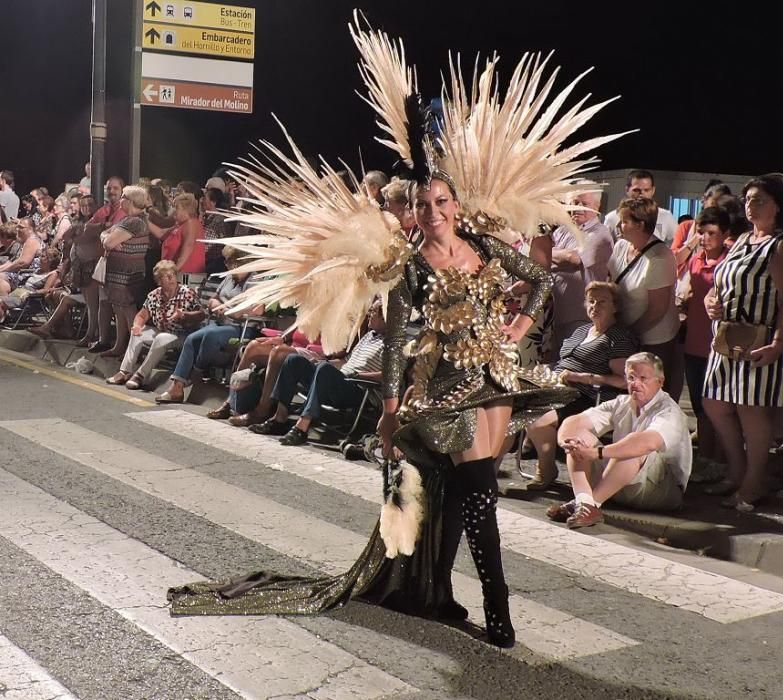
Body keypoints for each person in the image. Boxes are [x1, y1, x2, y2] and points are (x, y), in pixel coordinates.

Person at [166, 18, 614, 650]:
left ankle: (440, 594)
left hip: (494, 378)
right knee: (478, 494)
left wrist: (518, 324)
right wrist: (392, 409)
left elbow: (539, 281)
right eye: (424, 206)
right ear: (415, 212)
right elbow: (401, 340)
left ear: (457, 208)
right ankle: (500, 610)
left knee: (465, 491)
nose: (433, 214)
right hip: (442, 387)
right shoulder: (408, 269)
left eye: (442, 205)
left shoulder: (485, 246)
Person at [703, 174, 783, 511]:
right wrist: (710, 300)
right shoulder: (742, 240)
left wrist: (777, 341)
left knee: (751, 410)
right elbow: (721, 281)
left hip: (762, 338)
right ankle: (737, 470)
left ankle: (753, 484)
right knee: (715, 402)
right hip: (728, 337)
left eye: (759, 200)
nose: (751, 206)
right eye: (748, 200)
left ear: (777, 206)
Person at [549, 352, 692, 528]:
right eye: (631, 377)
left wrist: (596, 453)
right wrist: (567, 442)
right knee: (578, 439)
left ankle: (588, 504)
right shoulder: (622, 402)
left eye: (643, 378)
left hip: (661, 491)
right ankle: (585, 502)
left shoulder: (669, 410)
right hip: (620, 484)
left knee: (631, 447)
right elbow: (574, 422)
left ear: (660, 381)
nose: (636, 384)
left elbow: (647, 443)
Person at [521, 282, 637, 489]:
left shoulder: (617, 337)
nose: (595, 306)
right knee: (508, 401)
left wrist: (584, 377)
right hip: (554, 385)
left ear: (615, 307)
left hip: (582, 394)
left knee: (535, 416)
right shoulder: (582, 330)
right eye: (591, 301)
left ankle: (545, 468)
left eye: (602, 302)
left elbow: (625, 380)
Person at [253, 302, 384, 445]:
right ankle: (279, 419)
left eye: (374, 312)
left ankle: (301, 428)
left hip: (359, 389)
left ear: (386, 318)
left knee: (324, 370)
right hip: (339, 380)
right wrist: (320, 362)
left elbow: (387, 375)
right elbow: (346, 361)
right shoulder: (370, 336)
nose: (369, 315)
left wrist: (358, 376)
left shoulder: (393, 344)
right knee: (294, 360)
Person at [154, 247, 262, 403]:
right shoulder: (229, 278)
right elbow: (213, 300)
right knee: (192, 339)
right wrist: (221, 307)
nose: (226, 265)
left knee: (209, 336)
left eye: (230, 262)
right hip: (221, 322)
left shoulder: (253, 280)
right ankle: (176, 387)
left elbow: (249, 310)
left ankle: (196, 371)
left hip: (239, 327)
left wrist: (225, 309)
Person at [608, 197, 681, 399]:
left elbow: (658, 308)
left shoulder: (660, 257)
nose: (619, 226)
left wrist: (630, 333)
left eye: (624, 221)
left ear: (640, 224)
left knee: (650, 394)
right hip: (626, 332)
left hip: (654, 338)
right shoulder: (621, 246)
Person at [681, 207, 729, 471]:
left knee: (717, 404)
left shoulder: (729, 261)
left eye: (712, 233)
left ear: (724, 235)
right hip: (694, 339)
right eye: (702, 232)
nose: (706, 237)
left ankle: (720, 458)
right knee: (699, 403)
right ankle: (705, 456)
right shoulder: (696, 259)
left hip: (717, 342)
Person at [105, 260, 202, 389]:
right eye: (166, 277)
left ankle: (140, 375)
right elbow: (142, 315)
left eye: (172, 275)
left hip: (182, 334)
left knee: (161, 338)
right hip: (162, 330)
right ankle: (125, 371)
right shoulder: (154, 295)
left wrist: (184, 315)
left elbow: (201, 314)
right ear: (159, 281)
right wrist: (137, 326)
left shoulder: (187, 293)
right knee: (139, 333)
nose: (170, 279)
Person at [549, 191, 614, 356]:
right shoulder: (563, 230)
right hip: (554, 313)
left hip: (579, 317)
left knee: (573, 364)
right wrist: (557, 255)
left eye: (584, 204)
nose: (577, 208)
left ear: (597, 206)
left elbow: (573, 259)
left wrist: (548, 253)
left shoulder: (600, 233)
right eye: (574, 202)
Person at [95, 186, 151, 358]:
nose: (120, 200)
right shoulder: (129, 220)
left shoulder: (133, 221)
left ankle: (134, 352)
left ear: (131, 201)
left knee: (128, 312)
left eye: (124, 197)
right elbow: (105, 235)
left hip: (127, 275)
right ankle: (120, 347)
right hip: (121, 273)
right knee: (119, 309)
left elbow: (108, 242)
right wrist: (107, 237)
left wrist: (107, 239)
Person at [604, 170, 679, 244]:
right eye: (636, 190)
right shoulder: (612, 218)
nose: (642, 194)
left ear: (653, 191)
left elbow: (678, 244)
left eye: (646, 190)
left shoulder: (665, 216)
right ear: (627, 190)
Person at [148, 193, 205, 274]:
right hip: (175, 274)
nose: (174, 210)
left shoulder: (191, 223)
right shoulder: (181, 225)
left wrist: (175, 269)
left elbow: (189, 245)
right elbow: (161, 233)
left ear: (186, 210)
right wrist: (144, 220)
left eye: (177, 207)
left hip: (185, 275)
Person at [0, 218, 45, 296]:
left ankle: (4, 304)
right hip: (21, 273)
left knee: (1, 277)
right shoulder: (25, 242)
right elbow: (12, 261)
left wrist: (4, 270)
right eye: (17, 227)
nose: (17, 229)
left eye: (21, 227)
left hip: (28, 276)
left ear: (30, 229)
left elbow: (23, 262)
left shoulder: (32, 241)